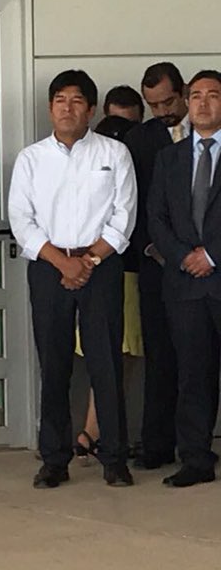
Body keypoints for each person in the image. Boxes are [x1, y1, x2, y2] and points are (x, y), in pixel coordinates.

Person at [8, 70, 136, 488]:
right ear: (50, 108)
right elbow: (21, 221)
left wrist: (89, 260)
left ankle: (114, 457)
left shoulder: (114, 153)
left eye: (77, 100)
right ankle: (54, 459)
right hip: (50, 268)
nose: (67, 108)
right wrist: (62, 263)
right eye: (60, 100)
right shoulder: (31, 159)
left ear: (91, 109)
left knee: (106, 363)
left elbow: (124, 216)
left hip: (101, 267)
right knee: (54, 364)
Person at [147, 69, 221, 487]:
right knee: (193, 374)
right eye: (196, 96)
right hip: (185, 284)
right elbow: (156, 218)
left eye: (213, 95)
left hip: (218, 271)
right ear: (187, 103)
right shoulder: (169, 158)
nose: (203, 103)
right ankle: (195, 459)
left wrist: (211, 254)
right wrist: (184, 257)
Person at [124, 62, 190, 469]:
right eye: (154, 105)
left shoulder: (211, 133)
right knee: (160, 357)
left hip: (207, 262)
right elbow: (131, 203)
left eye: (168, 102)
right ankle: (157, 445)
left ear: (183, 91)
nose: (163, 111)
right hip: (156, 264)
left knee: (201, 358)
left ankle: (195, 445)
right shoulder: (139, 140)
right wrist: (153, 248)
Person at [73, 114, 144, 464]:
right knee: (111, 354)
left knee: (116, 355)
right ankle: (94, 431)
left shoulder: (129, 157)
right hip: (98, 267)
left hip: (119, 265)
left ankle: (97, 433)